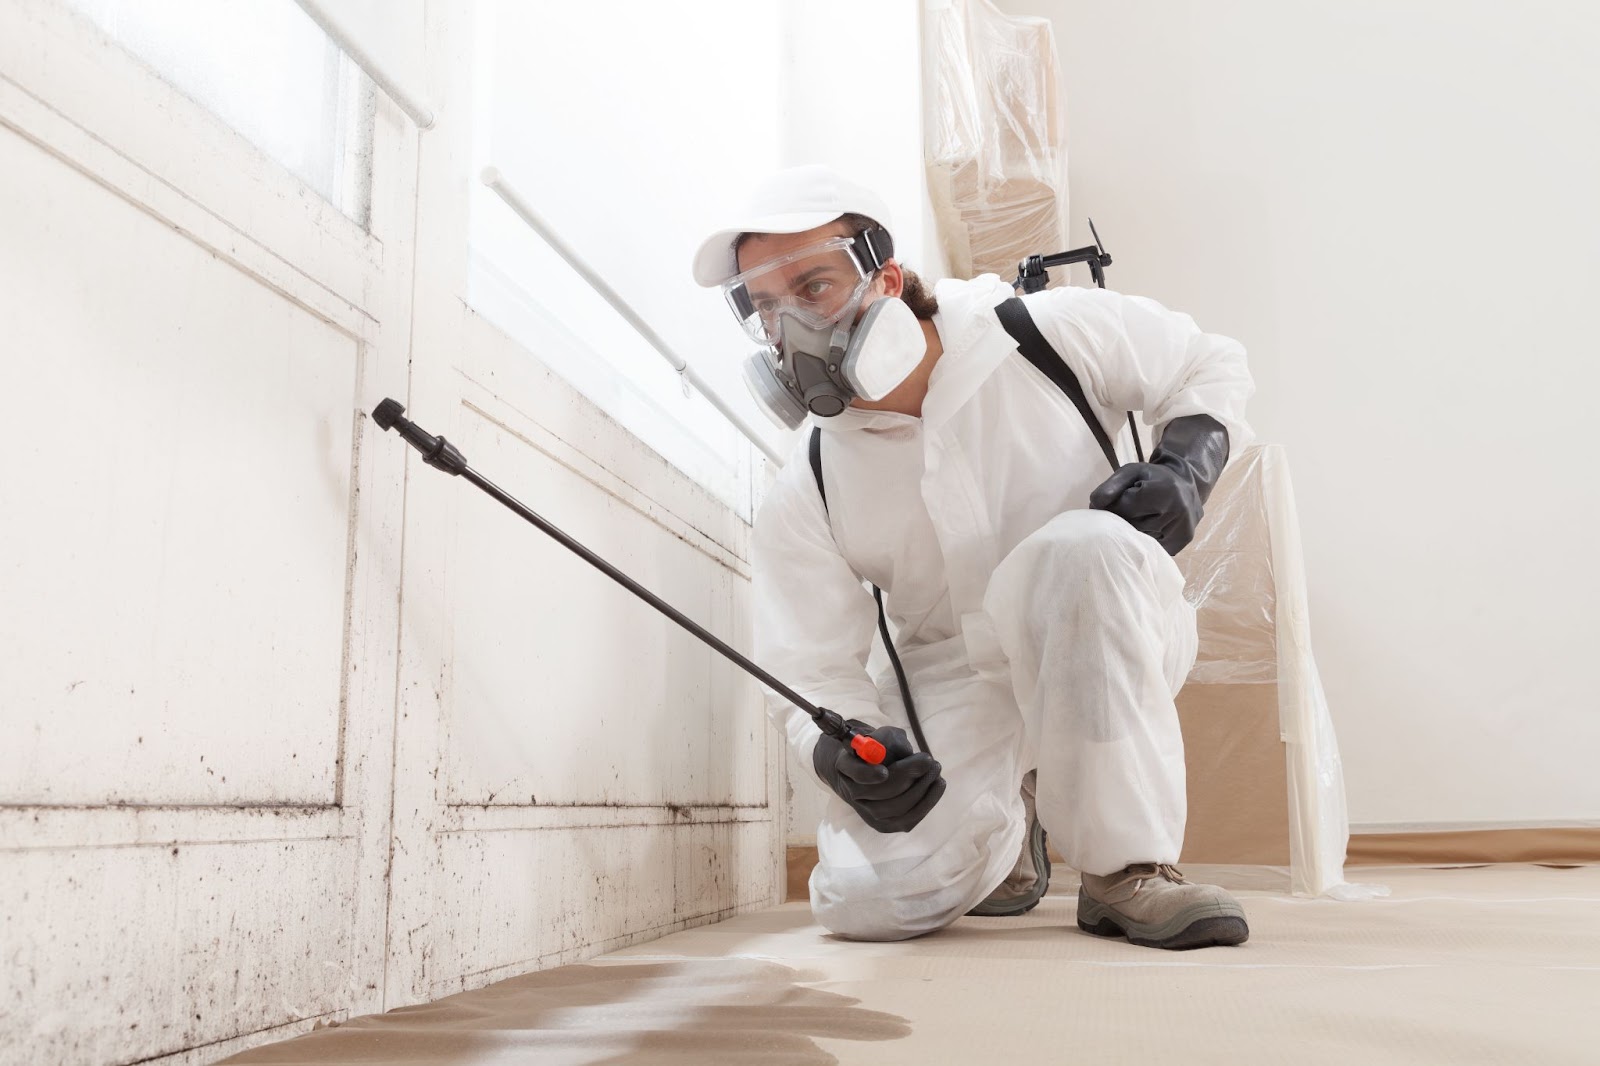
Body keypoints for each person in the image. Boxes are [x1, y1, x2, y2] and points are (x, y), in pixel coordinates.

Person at [692, 165, 1255, 948]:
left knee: (1081, 550)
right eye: (766, 308)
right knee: (862, 901)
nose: (791, 329)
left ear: (884, 279)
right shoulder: (812, 479)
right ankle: (1010, 815)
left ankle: (1127, 870)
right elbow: (811, 658)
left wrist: (1185, 466)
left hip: (1103, 629)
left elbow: (1208, 361)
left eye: (813, 287)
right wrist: (837, 745)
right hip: (953, 674)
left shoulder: (1039, 333)